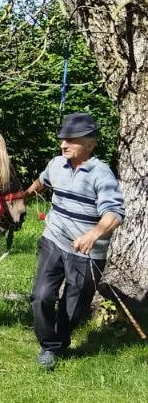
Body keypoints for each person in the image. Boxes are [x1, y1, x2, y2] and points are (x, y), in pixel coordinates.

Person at [24, 112, 124, 370]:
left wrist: (92, 235)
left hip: (86, 252)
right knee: (41, 296)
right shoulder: (56, 164)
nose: (63, 145)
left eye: (71, 140)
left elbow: (115, 214)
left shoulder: (102, 175)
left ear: (90, 143)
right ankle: (49, 346)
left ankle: (61, 339)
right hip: (54, 239)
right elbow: (42, 181)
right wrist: (23, 195)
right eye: (62, 139)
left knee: (74, 308)